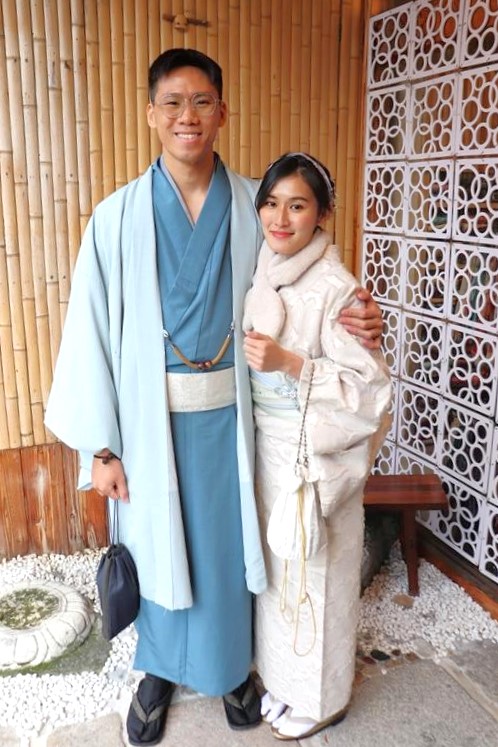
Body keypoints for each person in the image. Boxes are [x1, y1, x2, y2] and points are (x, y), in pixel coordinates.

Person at [44, 49, 383, 746]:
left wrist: (358, 311)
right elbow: (88, 333)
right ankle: (158, 671)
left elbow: (312, 267)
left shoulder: (256, 207)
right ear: (151, 114)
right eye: (172, 102)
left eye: (202, 101)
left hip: (235, 420)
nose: (187, 116)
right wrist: (101, 448)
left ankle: (231, 668)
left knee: (227, 549)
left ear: (222, 112)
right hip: (147, 422)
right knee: (155, 541)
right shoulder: (115, 219)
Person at [242, 153, 392, 740]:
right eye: (271, 203)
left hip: (315, 456)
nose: (280, 219)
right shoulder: (265, 268)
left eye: (298, 205)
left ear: (323, 213)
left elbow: (368, 391)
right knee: (283, 570)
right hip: (269, 450)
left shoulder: (338, 289)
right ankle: (284, 682)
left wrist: (292, 364)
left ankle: (323, 698)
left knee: (319, 572)